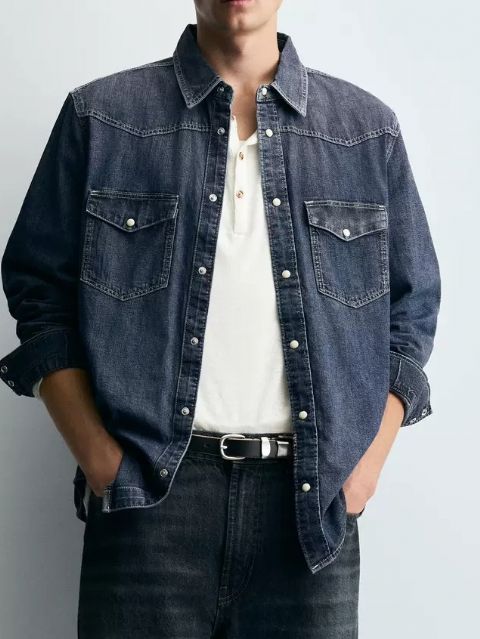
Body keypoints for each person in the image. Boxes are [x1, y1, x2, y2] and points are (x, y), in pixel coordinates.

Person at [0, 1, 441, 637]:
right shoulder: (102, 117)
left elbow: (412, 310)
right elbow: (40, 291)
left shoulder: (365, 132)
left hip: (310, 511)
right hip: (148, 502)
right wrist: (99, 458)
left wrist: (362, 472)